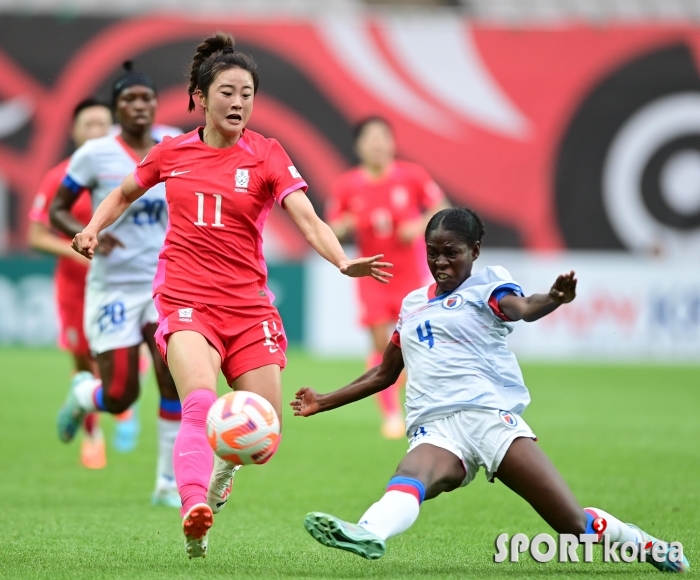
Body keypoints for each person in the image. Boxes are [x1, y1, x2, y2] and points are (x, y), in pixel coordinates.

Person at [69, 32, 392, 559]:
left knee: (266, 434)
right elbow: (125, 191)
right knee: (197, 401)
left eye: (247, 93)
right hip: (185, 302)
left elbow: (307, 218)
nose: (238, 101)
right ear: (199, 97)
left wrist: (340, 259)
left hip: (248, 309)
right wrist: (91, 229)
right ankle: (191, 505)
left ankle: (222, 472)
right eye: (227, 91)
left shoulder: (267, 154)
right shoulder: (171, 152)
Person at [292, 207, 690, 574]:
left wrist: (552, 299)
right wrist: (323, 401)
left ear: (475, 250)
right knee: (412, 474)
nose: (441, 262)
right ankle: (369, 531)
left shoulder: (489, 284)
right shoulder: (413, 304)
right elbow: (384, 373)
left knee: (573, 527)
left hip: (489, 419)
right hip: (436, 427)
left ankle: (638, 541)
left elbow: (522, 307)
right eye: (433, 252)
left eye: (452, 252)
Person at [50, 63, 182, 508]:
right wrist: (89, 230)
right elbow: (57, 210)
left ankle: (167, 481)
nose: (139, 106)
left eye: (145, 98)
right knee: (122, 392)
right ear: (116, 109)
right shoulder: (95, 154)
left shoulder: (175, 143)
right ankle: (84, 396)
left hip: (165, 285)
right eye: (129, 99)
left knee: (172, 376)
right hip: (113, 288)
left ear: (154, 103)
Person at [327, 117, 449, 438]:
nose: (377, 144)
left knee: (414, 343)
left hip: (410, 276)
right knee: (382, 344)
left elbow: (442, 208)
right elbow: (331, 227)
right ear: (359, 146)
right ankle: (391, 413)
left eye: (383, 137)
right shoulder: (347, 185)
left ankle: (421, 404)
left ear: (392, 142)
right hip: (371, 275)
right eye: (370, 138)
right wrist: (348, 223)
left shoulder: (412, 176)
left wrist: (420, 225)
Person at [28, 98, 114, 469]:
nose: (96, 131)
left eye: (103, 124)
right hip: (76, 289)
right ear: (74, 131)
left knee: (121, 361)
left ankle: (124, 414)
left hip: (118, 285)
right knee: (84, 362)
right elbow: (36, 235)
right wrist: (75, 249)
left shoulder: (124, 174)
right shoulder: (60, 177)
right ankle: (92, 434)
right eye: (88, 124)